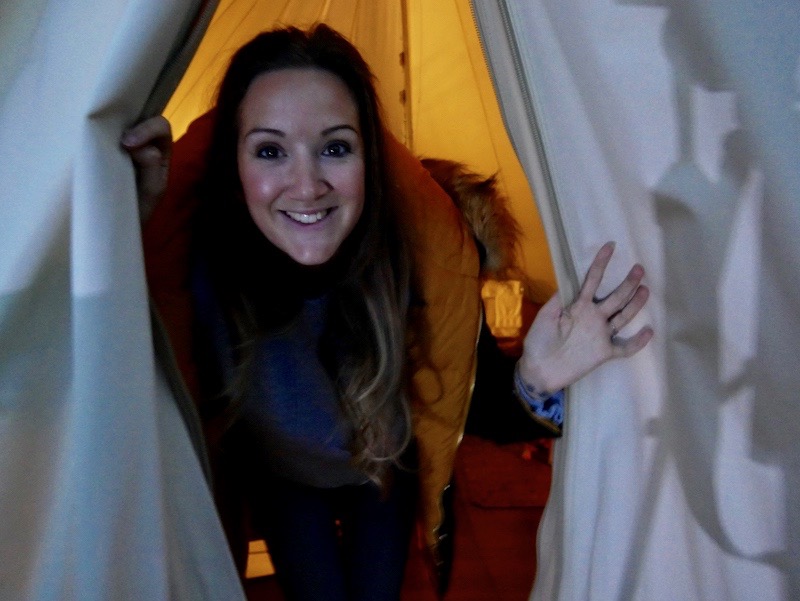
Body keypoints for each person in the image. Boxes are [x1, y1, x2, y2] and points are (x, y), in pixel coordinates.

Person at [122, 24, 652, 601]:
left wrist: (537, 376)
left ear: (368, 159)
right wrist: (128, 223)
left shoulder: (419, 260)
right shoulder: (197, 266)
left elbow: (463, 397)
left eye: (335, 148)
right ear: (234, 163)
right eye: (271, 151)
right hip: (283, 475)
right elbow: (124, 370)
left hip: (381, 470)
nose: (307, 185)